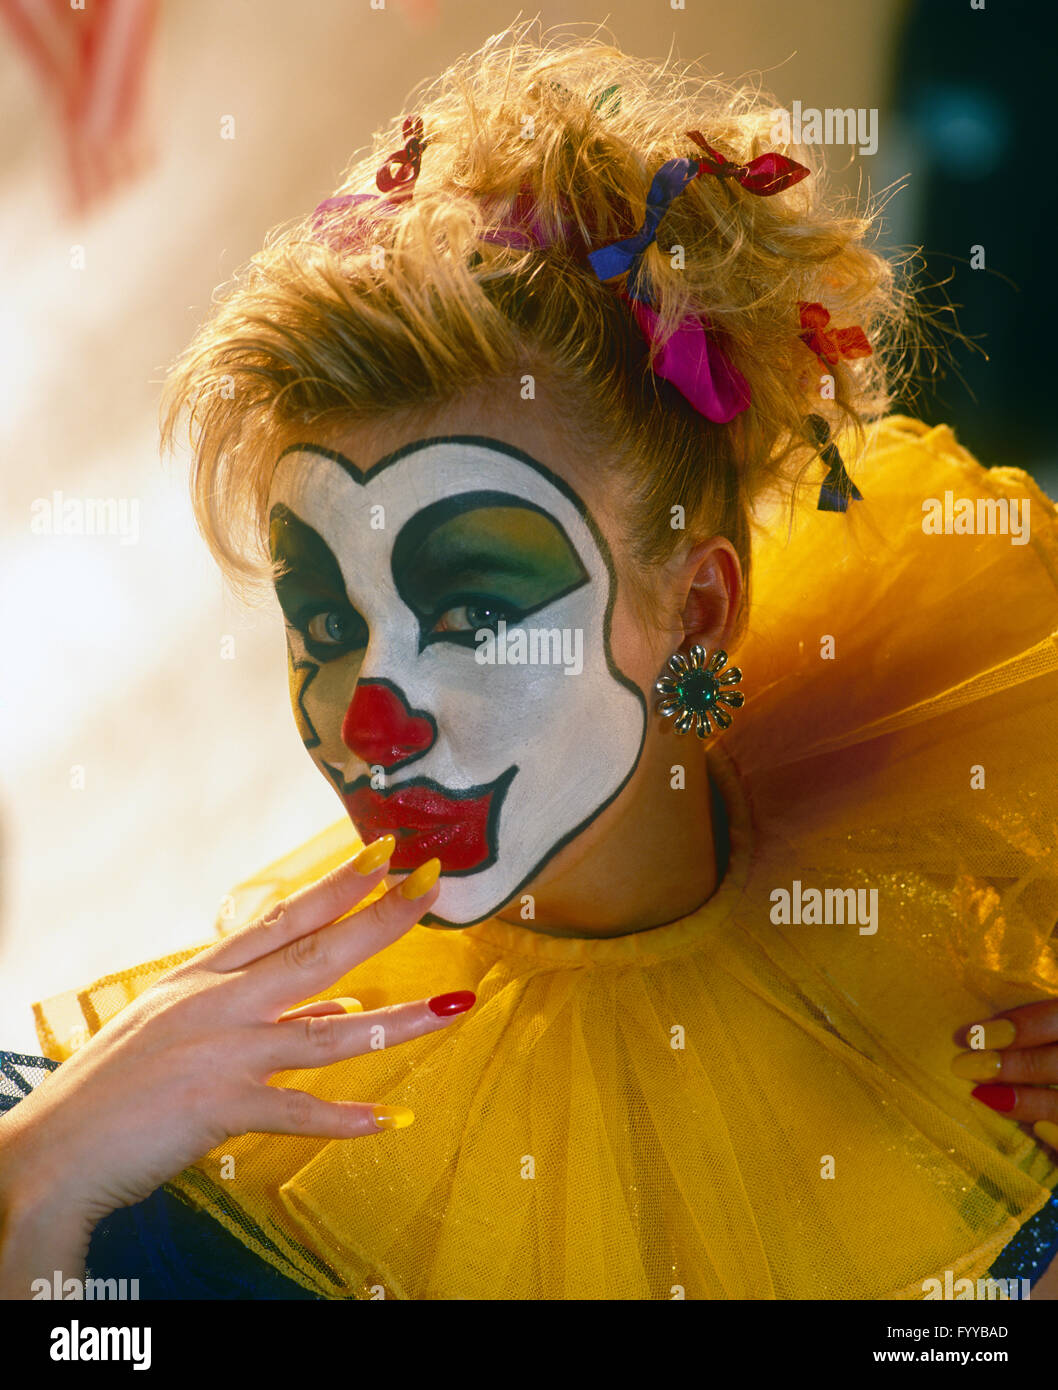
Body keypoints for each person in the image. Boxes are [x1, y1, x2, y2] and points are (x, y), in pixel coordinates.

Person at [2, 23, 1057, 1301]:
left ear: (698, 612)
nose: (368, 719)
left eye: (470, 608)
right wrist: (35, 1191)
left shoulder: (977, 967)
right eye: (327, 620)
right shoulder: (212, 1136)